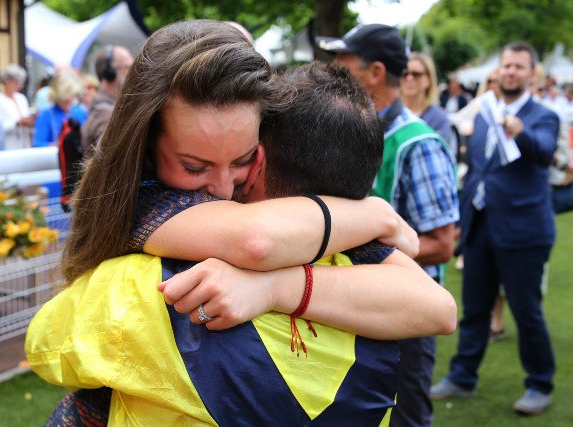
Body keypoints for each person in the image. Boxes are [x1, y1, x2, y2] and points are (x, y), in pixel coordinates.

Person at [26, 20, 456, 425]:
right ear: (146, 145)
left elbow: (437, 307)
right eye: (194, 166)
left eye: (243, 159)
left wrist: (275, 287)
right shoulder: (142, 197)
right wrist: (371, 213)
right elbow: (257, 241)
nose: (222, 188)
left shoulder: (292, 203)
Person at [320, 23, 459, 427]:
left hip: (406, 316)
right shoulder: (348, 132)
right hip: (352, 305)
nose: (332, 68)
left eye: (343, 61)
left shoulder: (418, 142)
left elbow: (442, 244)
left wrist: (358, 251)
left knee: (404, 419)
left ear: (376, 72)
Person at [430, 41, 558, 416]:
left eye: (519, 66)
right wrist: (461, 219)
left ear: (532, 73)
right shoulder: (485, 112)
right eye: (506, 65)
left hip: (523, 232)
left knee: (526, 312)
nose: (511, 72)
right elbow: (478, 172)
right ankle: (462, 377)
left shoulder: (543, 116)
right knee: (474, 310)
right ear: (498, 71)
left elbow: (543, 152)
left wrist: (520, 132)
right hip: (481, 227)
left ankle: (540, 384)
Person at [80, 45, 133, 158]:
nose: (133, 73)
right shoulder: (105, 113)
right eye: (128, 67)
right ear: (110, 73)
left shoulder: (108, 107)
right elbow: (114, 159)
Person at [401, 52, 454, 148]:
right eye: (404, 73)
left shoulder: (439, 119)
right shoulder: (390, 114)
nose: (409, 78)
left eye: (416, 74)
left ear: (429, 79)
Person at [33, 71, 87, 147]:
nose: (68, 99)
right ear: (56, 95)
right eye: (64, 97)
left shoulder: (81, 113)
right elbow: (38, 143)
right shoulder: (45, 115)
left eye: (71, 95)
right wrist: (55, 146)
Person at [0, 64, 35, 149]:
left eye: (21, 83)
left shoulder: (21, 98)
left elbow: (27, 118)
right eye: (16, 82)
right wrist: (17, 123)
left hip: (25, 145)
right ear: (7, 81)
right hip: (8, 146)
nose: (19, 86)